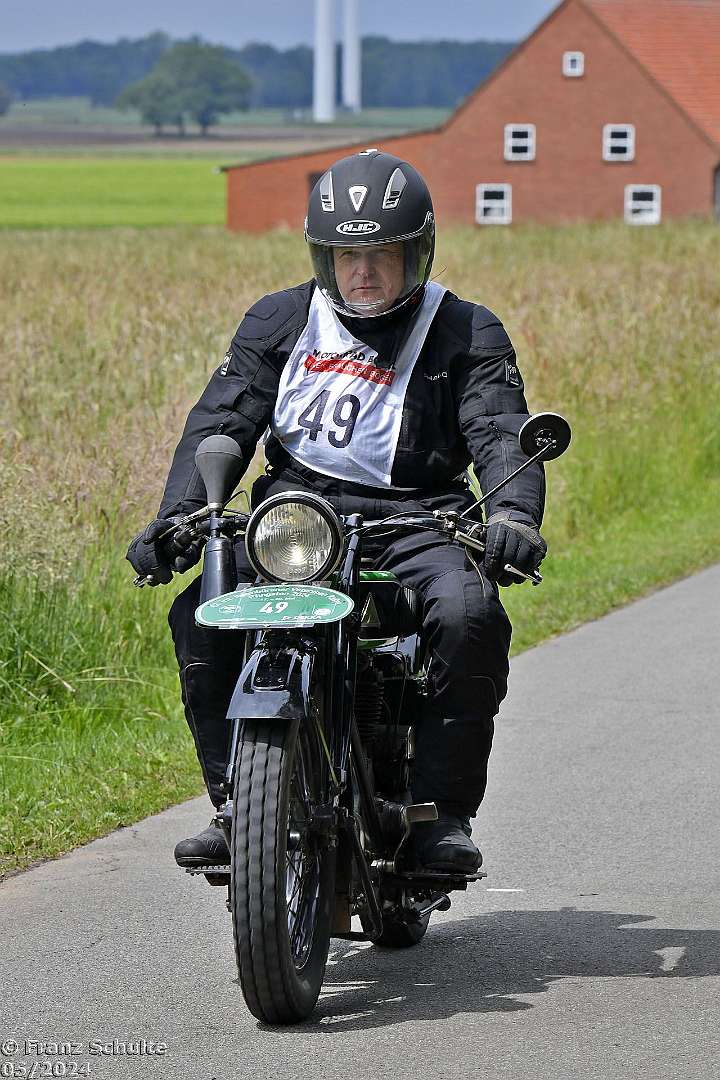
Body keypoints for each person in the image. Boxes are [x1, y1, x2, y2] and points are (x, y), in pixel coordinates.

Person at [126, 149, 546, 874]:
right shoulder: (280, 319)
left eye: (383, 254)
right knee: (202, 612)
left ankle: (440, 815)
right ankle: (238, 806)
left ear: (418, 253)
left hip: (419, 518)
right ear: (323, 258)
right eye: (347, 256)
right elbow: (222, 420)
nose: (365, 273)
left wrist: (513, 515)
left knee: (468, 613)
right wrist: (180, 519)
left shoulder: (466, 331)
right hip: (296, 520)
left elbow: (500, 430)